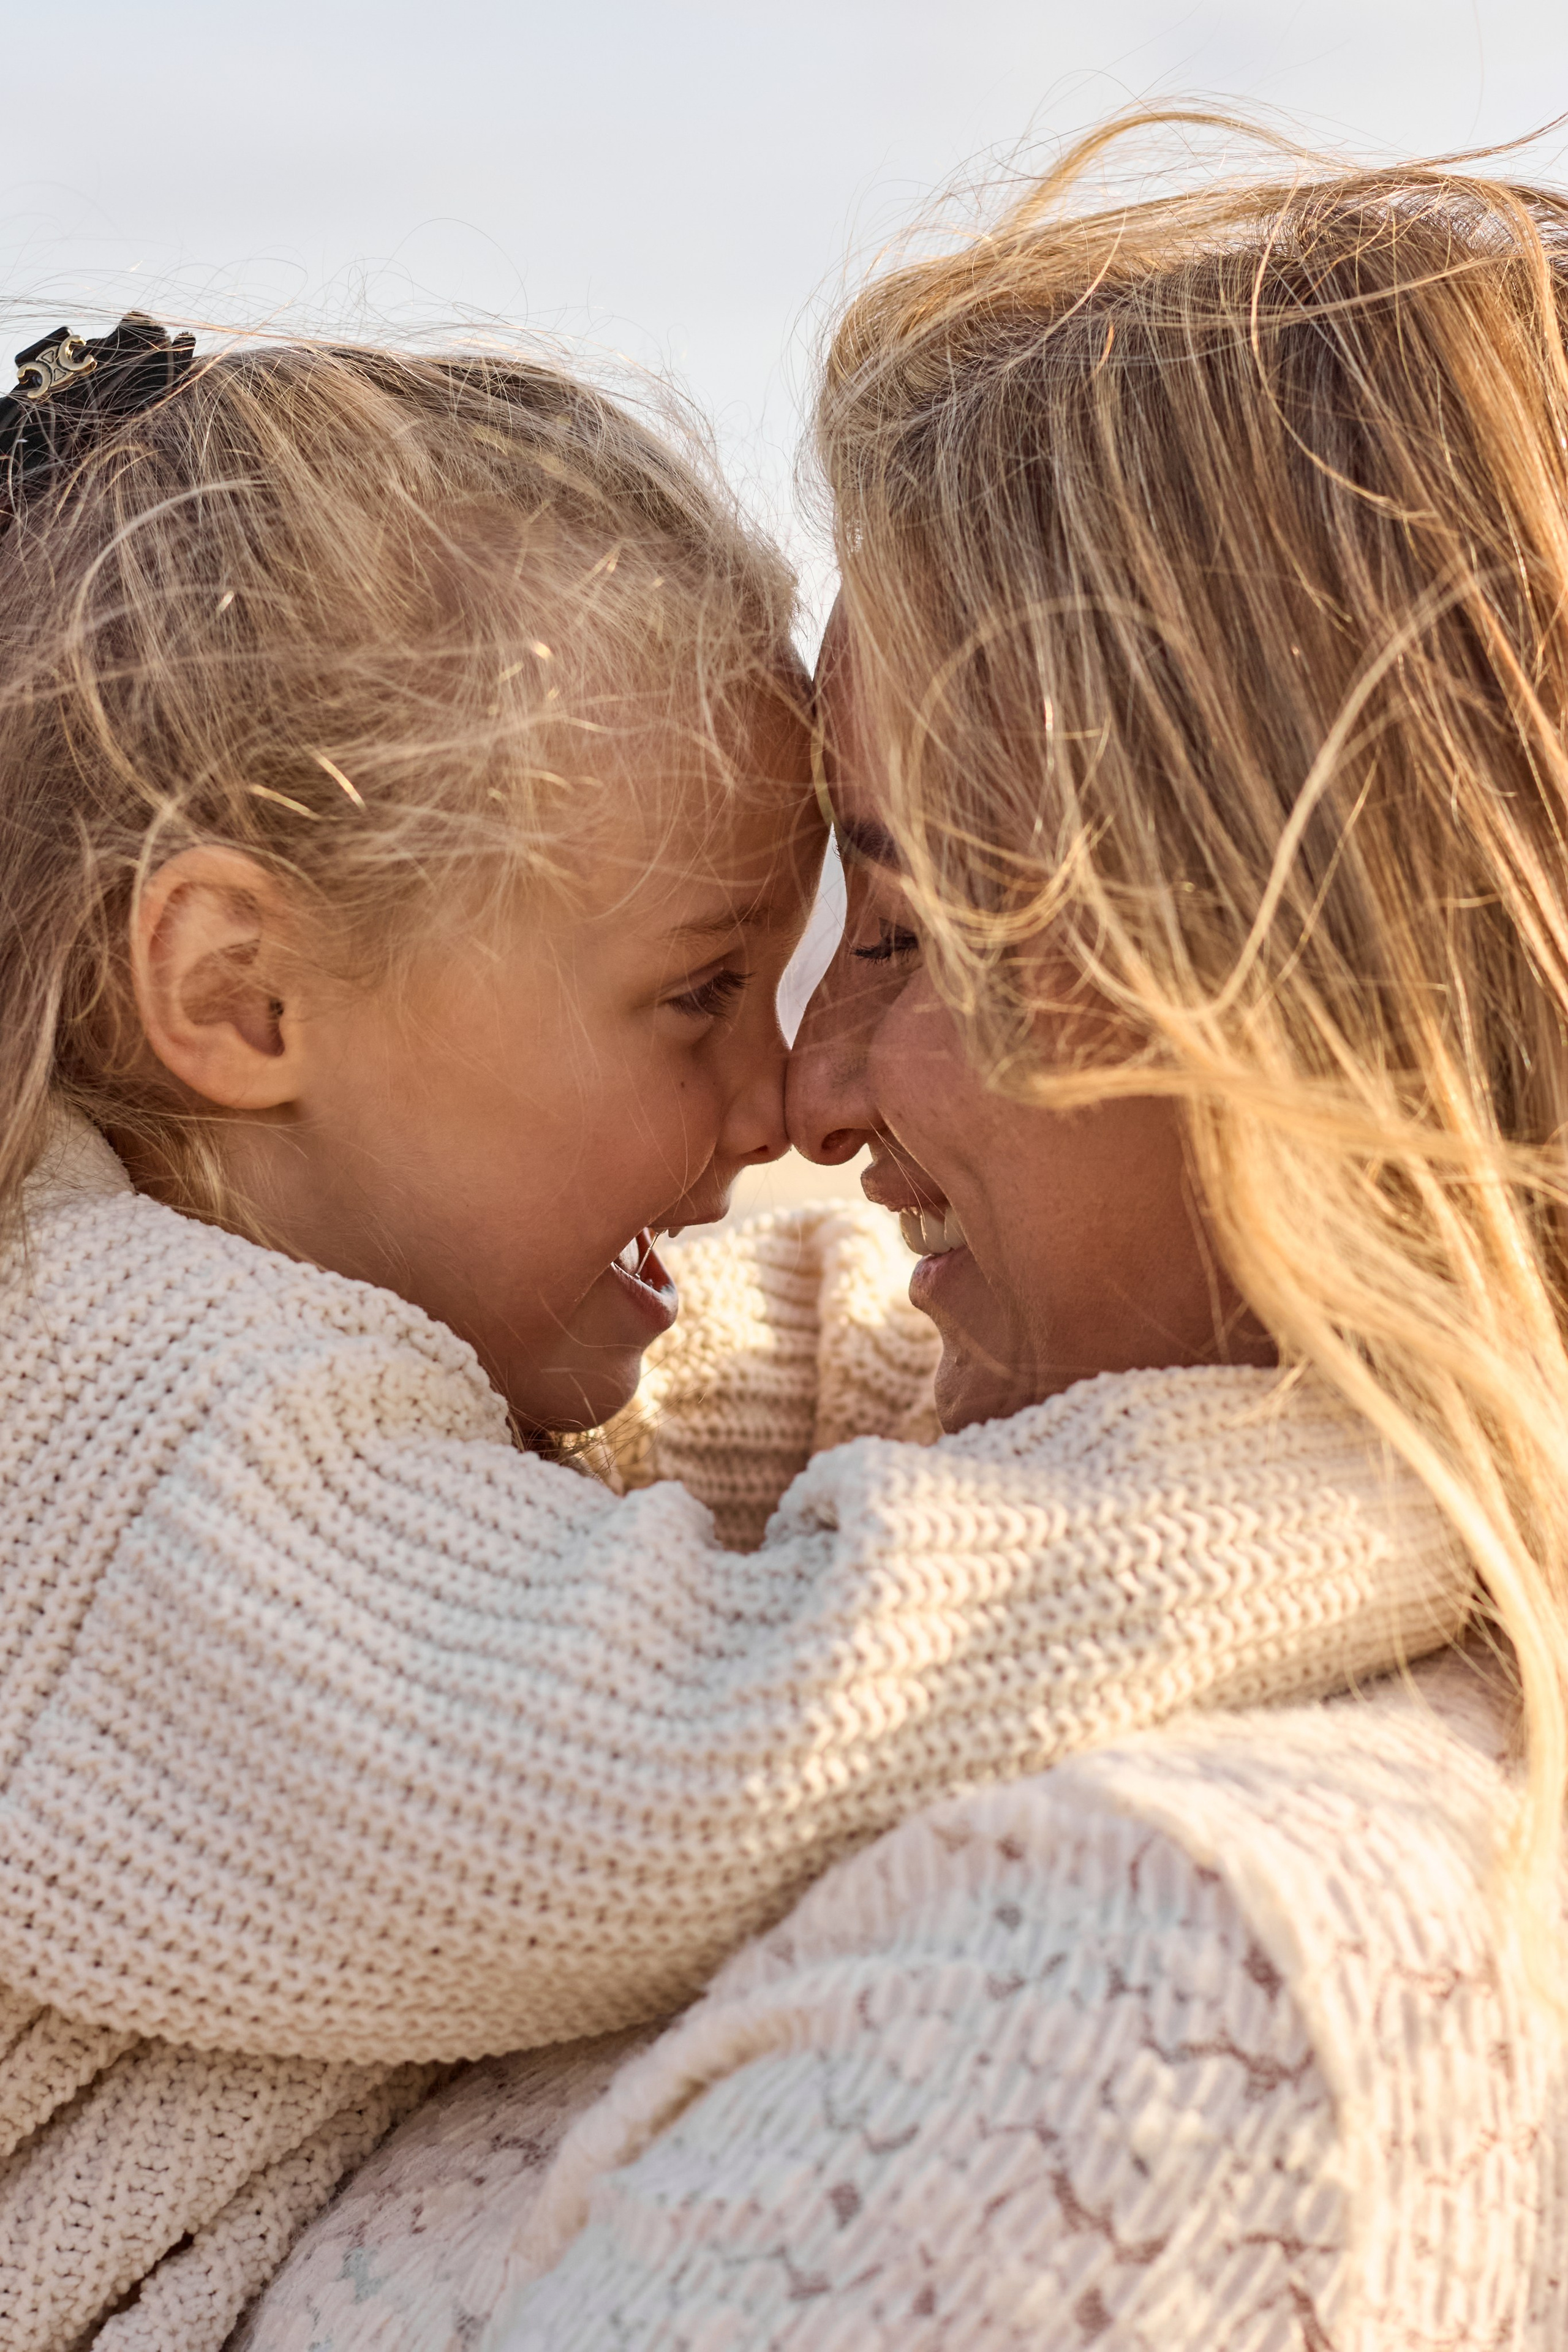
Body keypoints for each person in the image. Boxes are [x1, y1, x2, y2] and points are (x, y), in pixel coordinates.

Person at [0, 317, 1358, 2352]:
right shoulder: (123, 1422)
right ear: (243, 994)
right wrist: (1380, 1468)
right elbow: (711, 1736)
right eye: (700, 987)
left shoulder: (315, 1315)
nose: (782, 1101)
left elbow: (769, 1365)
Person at [423, 123, 1568, 2349]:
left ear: (1309, 983)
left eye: (914, 925)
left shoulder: (1135, 1992)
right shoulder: (1054, 1506)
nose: (811, 1098)